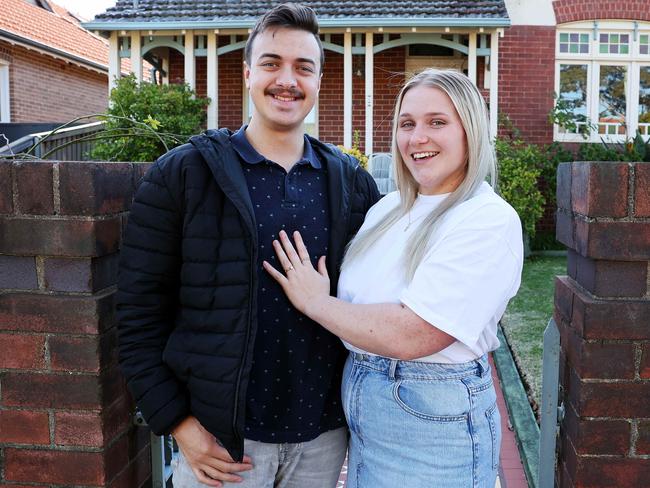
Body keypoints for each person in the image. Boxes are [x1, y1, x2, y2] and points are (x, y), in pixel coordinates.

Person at [116, 3, 379, 487]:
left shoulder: (351, 185)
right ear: (247, 74)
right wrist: (178, 424)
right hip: (221, 444)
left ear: (320, 79)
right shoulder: (184, 176)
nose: (288, 80)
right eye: (272, 63)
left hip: (322, 440)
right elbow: (137, 314)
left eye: (304, 67)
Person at [264, 68, 524, 488]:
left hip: (432, 422)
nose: (417, 138)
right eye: (407, 124)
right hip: (366, 411)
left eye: (437, 122)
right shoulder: (388, 210)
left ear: (470, 131)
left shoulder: (486, 219)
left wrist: (314, 301)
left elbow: (415, 333)